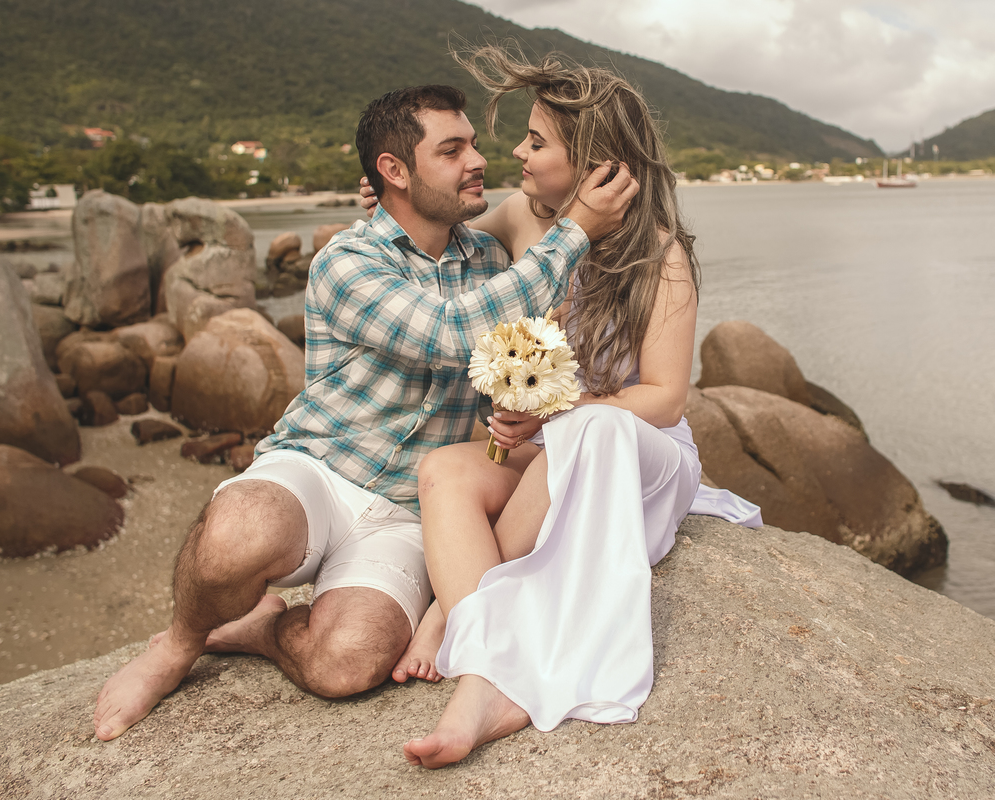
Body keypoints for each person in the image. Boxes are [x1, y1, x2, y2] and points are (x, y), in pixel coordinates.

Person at [91, 84, 641, 742]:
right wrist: (577, 229)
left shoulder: (491, 264)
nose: (478, 161)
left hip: (408, 511)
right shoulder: (347, 262)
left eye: (472, 144)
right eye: (452, 149)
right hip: (319, 472)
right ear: (394, 171)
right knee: (239, 531)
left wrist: (526, 411)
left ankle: (264, 626)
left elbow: (506, 367)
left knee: (347, 663)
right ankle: (178, 645)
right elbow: (449, 332)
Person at [356, 47, 762, 769]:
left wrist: (552, 417)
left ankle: (458, 630)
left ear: (597, 165)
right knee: (447, 473)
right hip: (549, 446)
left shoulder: (659, 256)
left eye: (536, 142)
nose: (515, 151)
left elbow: (665, 398)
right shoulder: (524, 217)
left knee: (592, 425)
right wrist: (397, 202)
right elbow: (444, 243)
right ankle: (483, 655)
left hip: (631, 450)